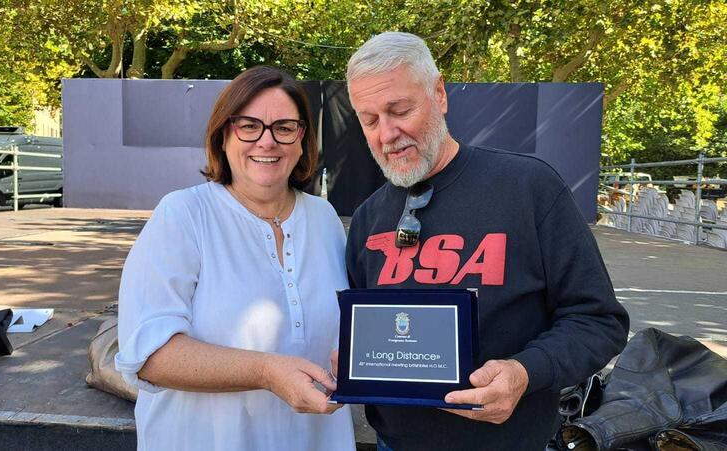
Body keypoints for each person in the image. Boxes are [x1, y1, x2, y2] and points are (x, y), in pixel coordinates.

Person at [344, 32, 630, 450]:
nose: (387, 133)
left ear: (439, 94)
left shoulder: (528, 187)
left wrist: (524, 371)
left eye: (400, 110)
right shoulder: (369, 218)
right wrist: (351, 359)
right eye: (369, 120)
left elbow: (599, 321)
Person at [115, 66, 355, 451]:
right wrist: (266, 371)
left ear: (302, 139)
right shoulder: (183, 214)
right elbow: (149, 356)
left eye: (284, 127)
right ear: (224, 135)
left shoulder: (324, 218)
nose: (267, 141)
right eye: (249, 126)